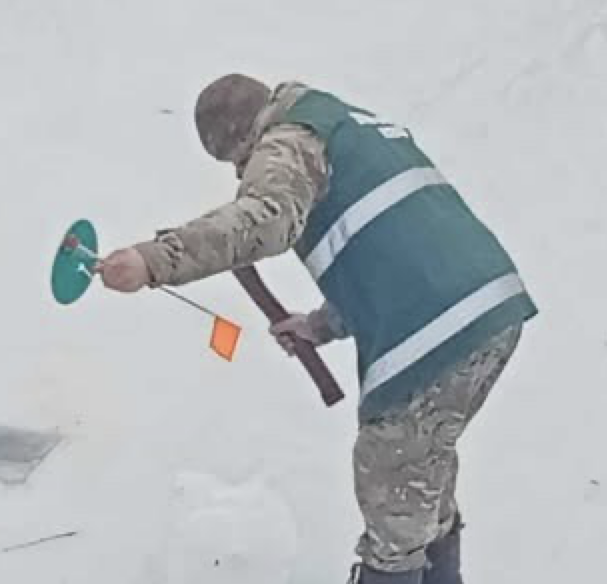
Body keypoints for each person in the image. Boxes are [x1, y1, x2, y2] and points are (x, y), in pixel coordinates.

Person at [96, 74, 538, 584]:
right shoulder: (339, 122)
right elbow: (391, 247)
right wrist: (320, 325)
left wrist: (154, 260)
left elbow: (266, 218)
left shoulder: (288, 140)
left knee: (391, 479)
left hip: (437, 328)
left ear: (245, 138)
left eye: (240, 163)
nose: (245, 173)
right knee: (419, 474)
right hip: (485, 309)